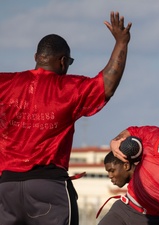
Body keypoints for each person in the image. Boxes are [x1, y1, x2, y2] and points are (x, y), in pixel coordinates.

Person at [0, 11, 132, 225]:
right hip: (48, 187)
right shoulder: (68, 88)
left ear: (36, 58)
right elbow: (107, 84)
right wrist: (121, 43)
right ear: (63, 62)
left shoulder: (5, 84)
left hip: (5, 187)